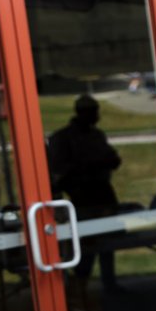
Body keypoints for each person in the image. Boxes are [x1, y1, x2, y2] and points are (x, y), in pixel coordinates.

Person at [47, 94, 122, 290]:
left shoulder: (96, 135)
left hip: (102, 194)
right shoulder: (63, 138)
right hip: (81, 198)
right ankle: (81, 287)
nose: (96, 116)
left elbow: (112, 159)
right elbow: (60, 172)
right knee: (85, 246)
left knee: (107, 242)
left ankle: (109, 283)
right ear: (82, 113)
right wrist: (89, 166)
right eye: (92, 111)